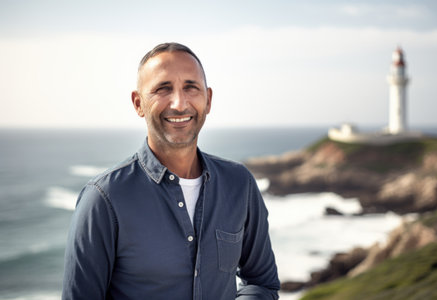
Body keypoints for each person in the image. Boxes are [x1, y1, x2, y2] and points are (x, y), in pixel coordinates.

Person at [62, 42, 280, 299]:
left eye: (191, 87)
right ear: (138, 103)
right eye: (162, 89)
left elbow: (262, 283)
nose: (179, 104)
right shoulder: (103, 199)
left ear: (208, 100)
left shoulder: (239, 183)